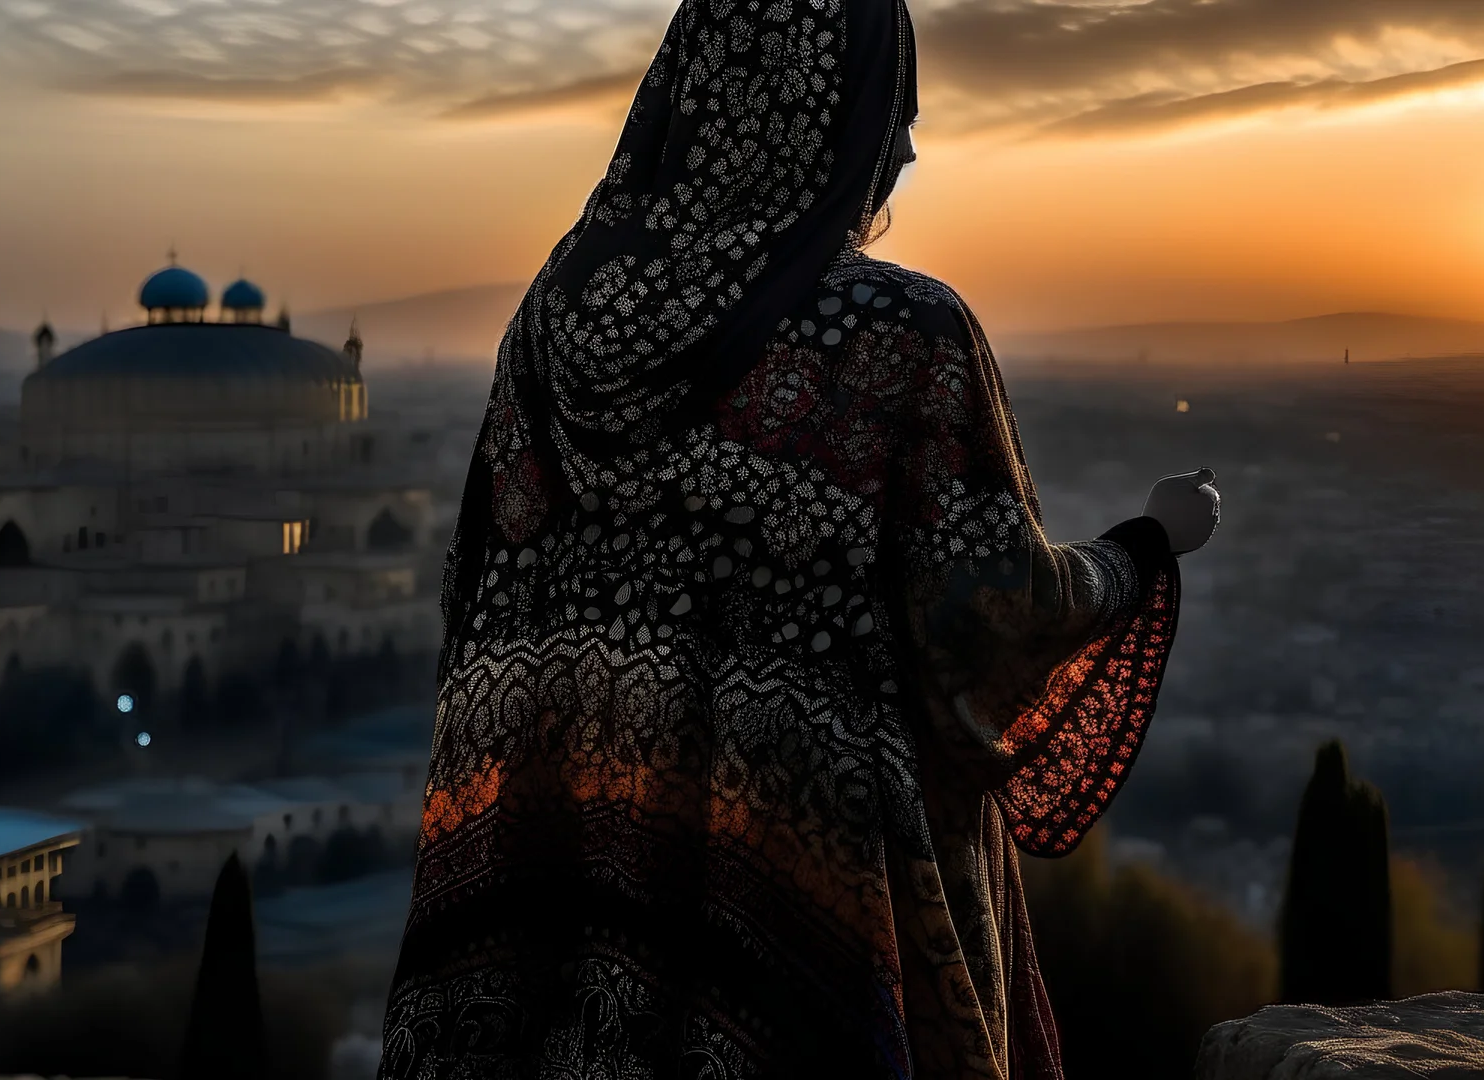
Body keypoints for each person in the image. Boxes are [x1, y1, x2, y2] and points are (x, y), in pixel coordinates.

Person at [377, 0, 1221, 1076]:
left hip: (563, 888)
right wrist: (1148, 545)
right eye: (890, 105)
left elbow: (483, 592)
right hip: (805, 888)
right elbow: (992, 614)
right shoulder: (898, 331)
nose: (907, 142)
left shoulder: (553, 322)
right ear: (813, 113)